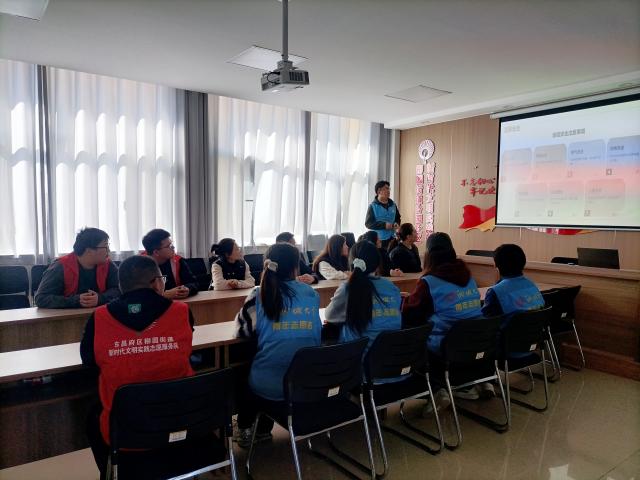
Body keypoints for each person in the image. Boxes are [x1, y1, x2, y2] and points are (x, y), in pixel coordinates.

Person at [80, 255, 195, 476]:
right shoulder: (181, 311)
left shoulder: (99, 317)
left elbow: (90, 362)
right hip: (179, 421)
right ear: (156, 283)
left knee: (92, 413)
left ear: (122, 286)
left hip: (124, 431)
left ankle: (114, 472)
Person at [234, 243, 322, 447]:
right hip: (305, 383)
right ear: (295, 268)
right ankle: (263, 428)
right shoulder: (310, 293)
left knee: (243, 366)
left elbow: (242, 331)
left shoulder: (259, 294)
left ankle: (247, 428)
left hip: (270, 385)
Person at [402, 232, 488, 401]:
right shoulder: (469, 277)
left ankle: (436, 390)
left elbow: (410, 315)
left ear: (428, 255)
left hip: (446, 349)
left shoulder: (429, 282)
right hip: (476, 343)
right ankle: (477, 381)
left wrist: (406, 300)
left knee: (408, 338)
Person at [324, 241, 403, 381]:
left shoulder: (348, 288)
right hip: (393, 367)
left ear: (351, 263)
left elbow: (330, 316)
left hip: (360, 372)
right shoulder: (391, 287)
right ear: (378, 264)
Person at [35, 227, 119, 309]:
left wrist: (100, 299)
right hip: (68, 316)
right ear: (89, 250)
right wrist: (75, 301)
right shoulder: (60, 266)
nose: (109, 250)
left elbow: (119, 290)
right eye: (105, 247)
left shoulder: (108, 264)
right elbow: (41, 298)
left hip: (99, 314)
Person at [482, 244, 544, 322]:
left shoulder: (495, 292)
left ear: (497, 266)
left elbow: (485, 322)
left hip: (510, 329)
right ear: (523, 263)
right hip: (536, 328)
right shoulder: (531, 285)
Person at [141, 228, 198, 299]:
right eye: (168, 246)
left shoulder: (178, 261)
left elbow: (194, 283)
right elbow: (135, 294)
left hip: (177, 302)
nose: (173, 247)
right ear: (156, 252)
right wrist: (163, 295)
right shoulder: (138, 265)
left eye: (172, 244)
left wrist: (187, 289)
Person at [365, 180, 401, 250]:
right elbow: (368, 223)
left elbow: (398, 217)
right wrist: (384, 225)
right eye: (386, 188)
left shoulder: (393, 205)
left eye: (389, 189)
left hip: (393, 238)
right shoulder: (372, 206)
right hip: (379, 240)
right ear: (379, 191)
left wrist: (396, 223)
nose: (389, 191)